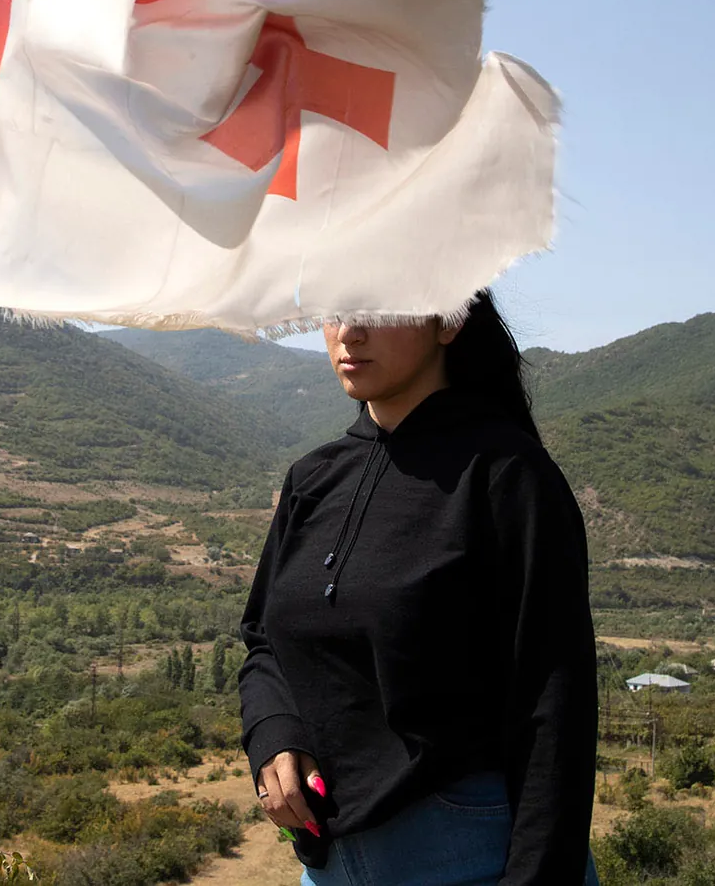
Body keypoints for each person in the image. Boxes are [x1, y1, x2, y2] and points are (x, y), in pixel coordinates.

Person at [239, 291, 599, 886]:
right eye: (335, 310)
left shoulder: (508, 476)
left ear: (450, 320)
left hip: (475, 854)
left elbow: (554, 701)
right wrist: (275, 734)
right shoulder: (313, 478)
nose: (349, 331)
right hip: (330, 867)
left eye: (376, 308)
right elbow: (263, 640)